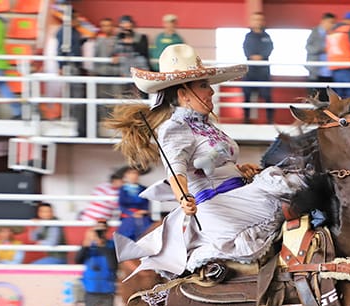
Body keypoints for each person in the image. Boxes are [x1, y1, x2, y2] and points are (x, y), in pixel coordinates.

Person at [106, 44, 307, 281]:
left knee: (284, 177)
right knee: (294, 182)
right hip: (220, 209)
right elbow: (176, 168)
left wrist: (240, 170)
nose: (211, 91)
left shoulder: (204, 126)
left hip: (236, 196)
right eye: (203, 86)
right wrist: (182, 197)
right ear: (183, 94)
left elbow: (210, 164)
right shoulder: (174, 128)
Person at [77, 219, 118, 306]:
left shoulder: (111, 245)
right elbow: (78, 260)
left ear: (107, 230)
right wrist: (85, 245)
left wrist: (102, 246)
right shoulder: (88, 246)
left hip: (107, 289)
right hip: (91, 289)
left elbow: (113, 265)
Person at [242, 12, 274, 124]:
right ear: (251, 22)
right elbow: (246, 50)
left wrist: (261, 56)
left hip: (263, 71)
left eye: (260, 19)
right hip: (250, 71)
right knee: (247, 95)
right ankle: (246, 119)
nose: (258, 22)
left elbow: (269, 49)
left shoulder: (267, 37)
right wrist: (252, 56)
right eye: (255, 19)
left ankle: (270, 120)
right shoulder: (247, 36)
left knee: (267, 96)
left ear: (263, 22)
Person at [305, 12, 335, 101]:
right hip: (315, 71)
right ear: (323, 21)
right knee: (314, 99)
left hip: (329, 72)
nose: (332, 25)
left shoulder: (333, 34)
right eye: (330, 22)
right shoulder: (314, 32)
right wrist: (323, 49)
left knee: (327, 99)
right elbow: (308, 48)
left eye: (333, 23)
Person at [116, 167, 150, 242]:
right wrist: (132, 213)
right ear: (126, 176)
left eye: (135, 173)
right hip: (128, 216)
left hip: (142, 216)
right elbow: (121, 205)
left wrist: (143, 211)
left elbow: (146, 204)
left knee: (146, 229)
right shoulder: (123, 189)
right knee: (128, 229)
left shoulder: (143, 189)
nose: (133, 176)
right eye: (130, 173)